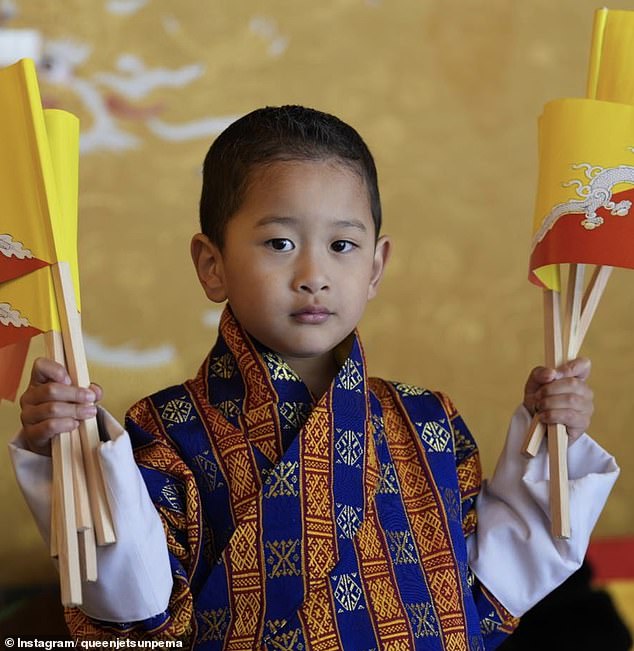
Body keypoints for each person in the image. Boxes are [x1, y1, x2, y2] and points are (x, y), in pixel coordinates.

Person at [10, 106, 619, 650]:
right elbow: (137, 618)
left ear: (377, 266)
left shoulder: (428, 421)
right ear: (211, 264)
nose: (313, 274)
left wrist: (554, 437)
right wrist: (73, 451)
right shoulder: (163, 431)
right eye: (279, 242)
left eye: (342, 245)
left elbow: (496, 589)